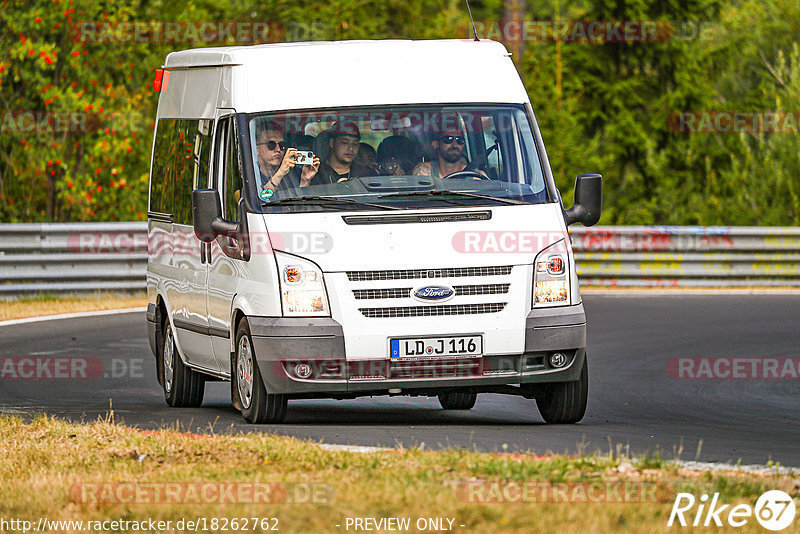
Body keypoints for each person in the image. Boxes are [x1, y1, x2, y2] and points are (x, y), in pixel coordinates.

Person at [255, 120, 320, 196]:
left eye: (282, 145)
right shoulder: (252, 175)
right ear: (257, 149)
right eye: (271, 145)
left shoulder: (292, 174)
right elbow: (262, 199)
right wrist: (280, 173)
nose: (278, 149)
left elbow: (299, 204)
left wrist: (305, 180)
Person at [412, 128, 484, 179]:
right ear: (435, 144)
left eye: (459, 140)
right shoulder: (424, 171)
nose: (455, 145)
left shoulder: (476, 177)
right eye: (448, 139)